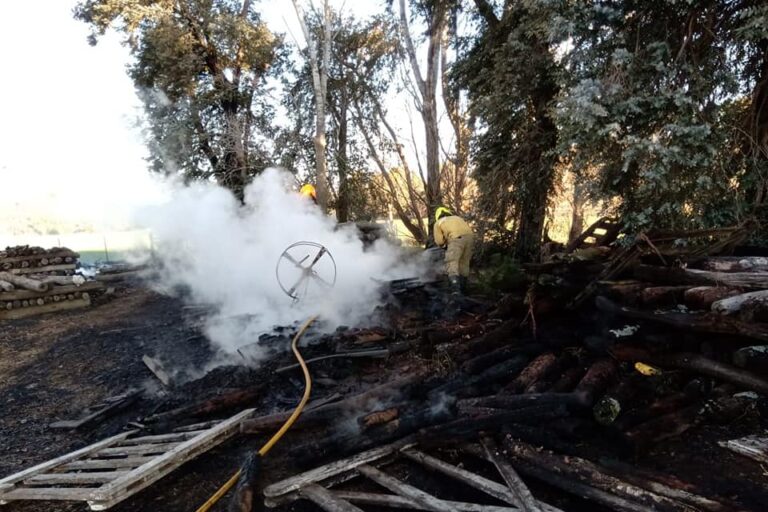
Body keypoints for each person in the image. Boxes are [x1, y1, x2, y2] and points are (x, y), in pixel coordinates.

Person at [433, 206, 473, 294]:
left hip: (456, 239)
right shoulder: (457, 218)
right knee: (464, 262)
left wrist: (444, 246)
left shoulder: (438, 223)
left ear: (438, 216)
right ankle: (463, 288)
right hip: (470, 238)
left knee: (452, 262)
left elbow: (439, 241)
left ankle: (455, 290)